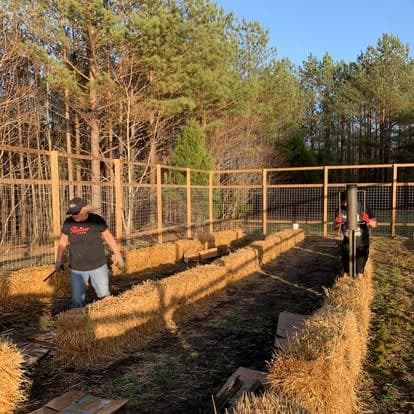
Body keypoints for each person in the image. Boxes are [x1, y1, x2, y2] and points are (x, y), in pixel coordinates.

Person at [55, 197, 125, 308]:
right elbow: (63, 241)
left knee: (105, 298)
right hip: (77, 268)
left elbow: (108, 236)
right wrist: (58, 260)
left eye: (76, 213)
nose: (73, 215)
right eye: (71, 213)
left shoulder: (96, 220)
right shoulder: (68, 223)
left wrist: (117, 253)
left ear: (84, 209)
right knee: (77, 302)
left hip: (98, 265)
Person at [334, 191, 377, 278]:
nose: (344, 205)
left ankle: (359, 277)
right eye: (343, 202)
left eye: (346, 202)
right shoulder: (339, 210)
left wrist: (368, 220)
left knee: (359, 273)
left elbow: (374, 224)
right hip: (347, 241)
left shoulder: (363, 207)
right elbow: (335, 227)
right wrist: (338, 223)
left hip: (361, 242)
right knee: (344, 274)